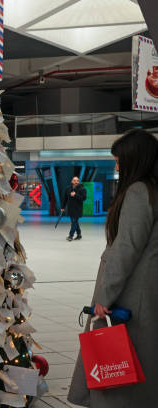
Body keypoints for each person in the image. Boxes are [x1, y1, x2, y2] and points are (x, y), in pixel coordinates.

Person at [68, 129, 158, 407]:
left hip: (134, 295)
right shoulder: (154, 189)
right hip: (147, 289)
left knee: (125, 367)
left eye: (119, 161)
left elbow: (126, 248)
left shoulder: (139, 191)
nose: (116, 166)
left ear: (135, 160)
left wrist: (104, 297)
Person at [61, 176, 87, 241]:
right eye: (74, 180)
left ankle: (70, 236)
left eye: (77, 181)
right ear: (72, 181)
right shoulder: (68, 189)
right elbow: (65, 199)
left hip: (78, 209)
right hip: (70, 208)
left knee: (74, 221)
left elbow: (83, 198)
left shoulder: (82, 189)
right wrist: (63, 207)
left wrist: (75, 195)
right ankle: (79, 234)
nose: (76, 182)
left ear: (78, 182)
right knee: (75, 222)